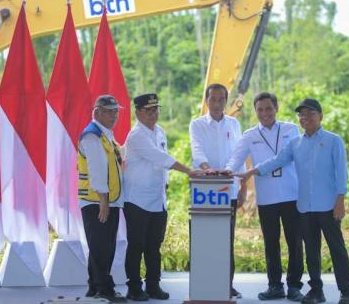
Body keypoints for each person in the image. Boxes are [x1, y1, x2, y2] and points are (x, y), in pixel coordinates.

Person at [237, 98, 349, 304]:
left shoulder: (333, 140)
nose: (305, 118)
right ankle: (316, 290)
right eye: (301, 114)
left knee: (337, 249)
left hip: (328, 205)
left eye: (310, 113)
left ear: (320, 116)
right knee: (311, 252)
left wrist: (340, 200)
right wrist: (251, 172)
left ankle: (346, 291)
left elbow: (341, 173)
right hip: (304, 207)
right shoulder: (295, 143)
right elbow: (277, 160)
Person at [226, 92, 304, 302]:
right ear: (255, 111)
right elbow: (235, 159)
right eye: (260, 109)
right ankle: (275, 286)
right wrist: (224, 172)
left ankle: (294, 286)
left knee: (295, 242)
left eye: (269, 108)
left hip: (291, 194)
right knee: (271, 243)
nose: (265, 113)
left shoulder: (290, 129)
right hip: (267, 198)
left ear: (276, 108)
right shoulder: (250, 135)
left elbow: (295, 158)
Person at [123, 93, 201, 301]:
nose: (153, 114)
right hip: (137, 200)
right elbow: (162, 159)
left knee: (153, 247)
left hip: (158, 200)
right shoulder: (136, 135)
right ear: (138, 112)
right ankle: (133, 287)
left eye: (156, 109)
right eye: (148, 111)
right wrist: (189, 171)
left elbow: (161, 167)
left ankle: (153, 285)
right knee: (136, 245)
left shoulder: (160, 132)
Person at [189, 83, 246, 298]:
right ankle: (206, 284)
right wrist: (208, 169)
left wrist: (243, 187)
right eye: (212, 99)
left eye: (221, 99)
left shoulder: (234, 123)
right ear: (206, 100)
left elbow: (239, 155)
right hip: (206, 191)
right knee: (207, 240)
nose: (216, 103)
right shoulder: (197, 125)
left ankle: (227, 285)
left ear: (226, 101)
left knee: (227, 240)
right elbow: (197, 151)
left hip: (229, 190)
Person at [77, 95, 127, 302]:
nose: (114, 115)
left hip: (107, 199)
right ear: (96, 112)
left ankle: (94, 287)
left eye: (116, 111)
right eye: (108, 111)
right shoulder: (92, 136)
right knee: (102, 247)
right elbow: (97, 171)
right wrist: (104, 202)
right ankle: (105, 289)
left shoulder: (105, 135)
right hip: (97, 201)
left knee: (102, 245)